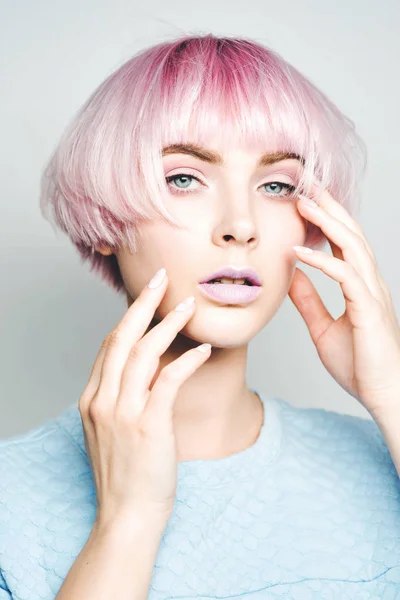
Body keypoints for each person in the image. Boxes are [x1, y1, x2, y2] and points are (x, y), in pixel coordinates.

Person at [1, 32, 399, 600]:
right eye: (184, 178)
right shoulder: (10, 501)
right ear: (108, 216)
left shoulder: (381, 459)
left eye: (278, 184)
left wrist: (392, 393)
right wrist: (127, 524)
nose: (241, 225)